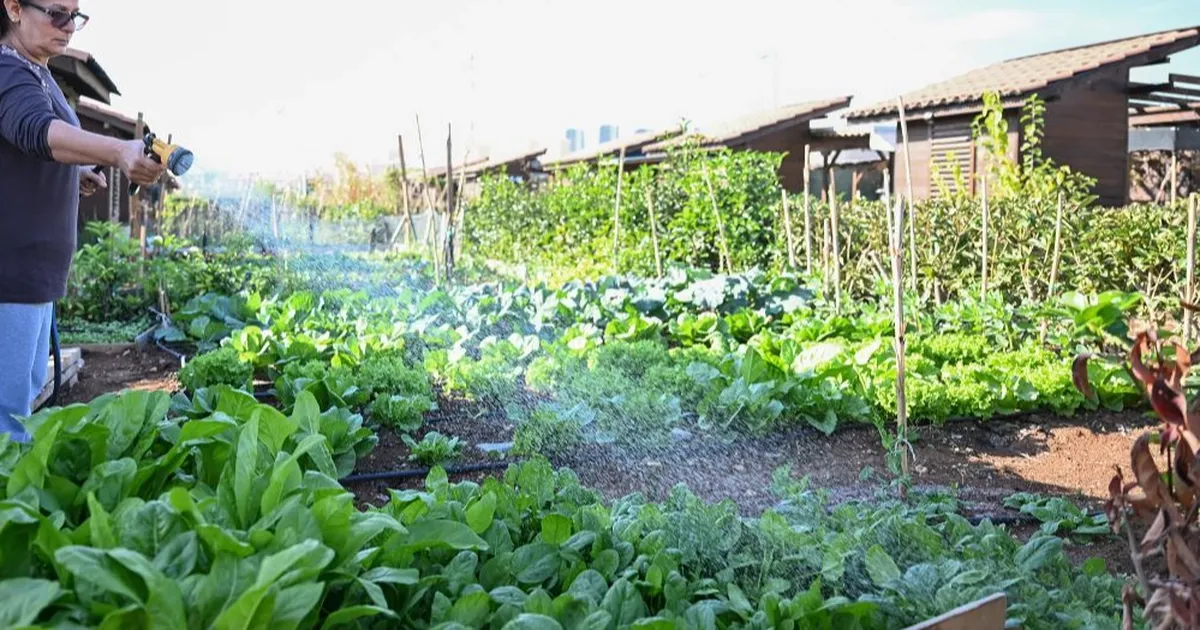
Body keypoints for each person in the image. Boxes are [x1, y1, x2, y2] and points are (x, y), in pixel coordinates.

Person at [0, 0, 165, 443]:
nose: (69, 26)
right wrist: (116, 151)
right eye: (57, 13)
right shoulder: (6, 71)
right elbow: (34, 130)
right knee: (6, 425)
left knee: (21, 410)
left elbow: (25, 155)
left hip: (35, 280)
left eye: (76, 15)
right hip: (8, 279)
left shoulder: (41, 74)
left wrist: (73, 174)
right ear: (14, 8)